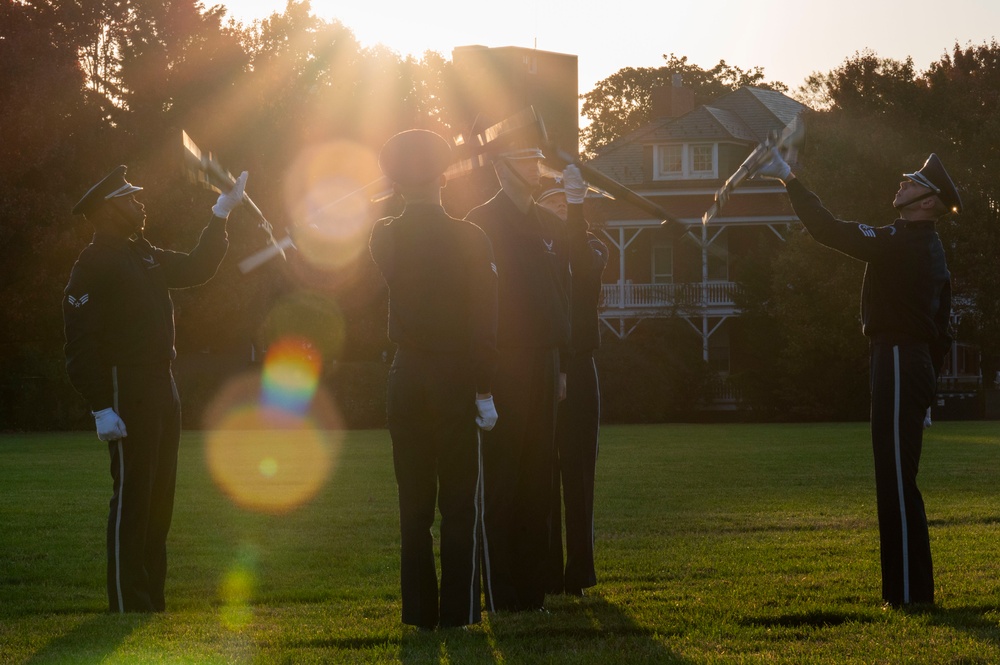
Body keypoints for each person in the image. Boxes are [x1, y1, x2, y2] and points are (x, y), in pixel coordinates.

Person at [755, 149, 958, 608]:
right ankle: (906, 593)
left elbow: (829, 229)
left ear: (928, 202)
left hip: (901, 360)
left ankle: (911, 595)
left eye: (913, 182)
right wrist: (930, 390)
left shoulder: (905, 241)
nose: (903, 183)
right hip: (906, 363)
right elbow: (944, 326)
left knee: (897, 482)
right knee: (894, 478)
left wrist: (789, 178)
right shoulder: (915, 242)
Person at [63, 164, 246, 612]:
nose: (140, 204)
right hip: (127, 385)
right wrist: (101, 406)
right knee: (133, 495)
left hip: (162, 383)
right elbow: (79, 343)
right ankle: (128, 602)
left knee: (159, 498)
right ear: (110, 210)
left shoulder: (139, 253)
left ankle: (150, 602)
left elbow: (196, 267)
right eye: (130, 199)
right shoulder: (95, 262)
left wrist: (221, 212)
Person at [369, 129, 499, 630]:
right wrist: (484, 388)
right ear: (445, 178)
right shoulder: (470, 236)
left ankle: (419, 612)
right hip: (455, 374)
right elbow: (485, 322)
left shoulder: (384, 232)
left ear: (398, 183)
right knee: (460, 499)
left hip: (406, 374)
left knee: (414, 501)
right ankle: (459, 611)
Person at [463, 137, 574, 613]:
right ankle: (502, 593)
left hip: (545, 360)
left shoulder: (545, 221)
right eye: (527, 157)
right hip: (504, 361)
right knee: (504, 480)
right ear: (502, 166)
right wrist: (482, 377)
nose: (537, 165)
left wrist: (563, 363)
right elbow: (473, 305)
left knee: (537, 479)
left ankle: (531, 592)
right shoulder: (481, 223)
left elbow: (564, 291)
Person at [536, 171, 609, 598]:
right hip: (541, 366)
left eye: (568, 205)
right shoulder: (530, 252)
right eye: (554, 204)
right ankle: (544, 573)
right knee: (540, 472)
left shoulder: (592, 246)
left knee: (579, 473)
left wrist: (576, 210)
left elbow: (580, 263)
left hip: (579, 368)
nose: (561, 211)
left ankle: (579, 574)